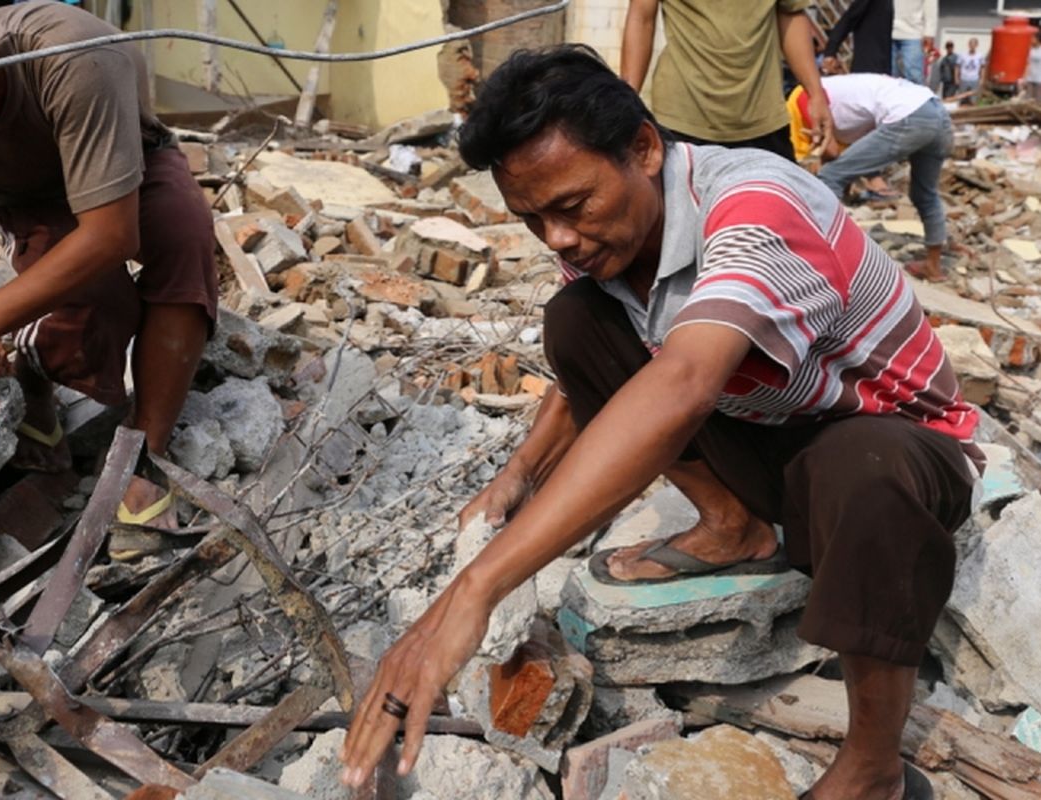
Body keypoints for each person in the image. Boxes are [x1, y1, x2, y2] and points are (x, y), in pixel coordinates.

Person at [340, 45, 979, 800]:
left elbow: (681, 381)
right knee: (575, 318)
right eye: (532, 218)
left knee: (860, 467)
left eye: (571, 208)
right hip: (768, 431)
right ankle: (732, 525)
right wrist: (516, 479)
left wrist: (473, 592)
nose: (558, 239)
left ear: (644, 148)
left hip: (896, 452)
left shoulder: (754, 206)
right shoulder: (611, 231)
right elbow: (597, 373)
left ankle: (874, 771)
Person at [0, 2, 216, 528]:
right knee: (87, 312)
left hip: (129, 162)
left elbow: (111, 234)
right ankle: (36, 378)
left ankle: (144, 455)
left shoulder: (71, 55)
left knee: (184, 237)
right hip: (26, 192)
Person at [620, 0, 833, 159]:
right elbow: (642, 17)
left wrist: (815, 94)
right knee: (685, 216)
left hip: (762, 118)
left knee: (772, 213)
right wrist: (624, 101)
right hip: (684, 116)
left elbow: (791, 13)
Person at [810, 73, 953, 282]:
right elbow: (859, 149)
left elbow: (831, 150)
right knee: (925, 194)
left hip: (908, 116)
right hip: (938, 113)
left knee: (829, 176)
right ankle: (934, 266)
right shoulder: (843, 87)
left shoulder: (809, 94)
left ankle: (824, 257)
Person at [822, 0, 893, 76]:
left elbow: (849, 18)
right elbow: (850, 18)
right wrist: (831, 49)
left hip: (881, 62)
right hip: (875, 64)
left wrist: (831, 49)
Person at [891, 0, 936, 84]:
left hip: (913, 32)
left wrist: (929, 32)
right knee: (886, 77)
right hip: (885, 31)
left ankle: (917, 96)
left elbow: (931, 3)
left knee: (914, 75)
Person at [957, 37, 985, 102]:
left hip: (974, 79)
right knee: (962, 98)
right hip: (964, 79)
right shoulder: (962, 55)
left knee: (974, 99)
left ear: (976, 45)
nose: (972, 46)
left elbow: (983, 68)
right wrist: (956, 78)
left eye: (974, 44)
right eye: (971, 44)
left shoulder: (980, 55)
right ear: (968, 45)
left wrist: (982, 79)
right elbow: (957, 67)